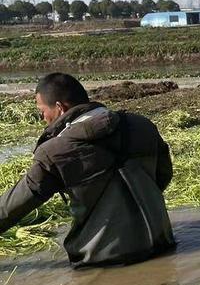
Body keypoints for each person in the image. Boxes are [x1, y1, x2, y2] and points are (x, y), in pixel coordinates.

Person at [0, 73, 175, 268]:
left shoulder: (55, 152)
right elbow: (163, 176)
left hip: (104, 262)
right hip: (162, 244)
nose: (43, 118)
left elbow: (13, 207)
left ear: (60, 108)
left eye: (42, 111)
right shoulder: (142, 126)